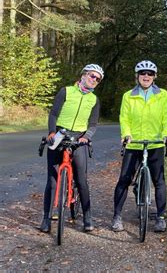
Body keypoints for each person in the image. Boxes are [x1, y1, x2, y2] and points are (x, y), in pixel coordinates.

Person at [39, 64, 104, 233]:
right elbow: (53, 113)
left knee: (82, 180)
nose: (94, 80)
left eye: (97, 79)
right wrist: (52, 132)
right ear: (83, 75)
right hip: (60, 134)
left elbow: (93, 123)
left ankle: (87, 217)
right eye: (91, 76)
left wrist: (86, 137)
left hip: (79, 138)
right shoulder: (66, 91)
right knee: (52, 180)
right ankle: (46, 218)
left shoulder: (94, 100)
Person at [111, 60, 167, 233]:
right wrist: (126, 135)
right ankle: (117, 216)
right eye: (143, 73)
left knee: (159, 181)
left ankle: (160, 217)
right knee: (124, 179)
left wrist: (166, 135)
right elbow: (124, 117)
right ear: (137, 76)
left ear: (155, 77)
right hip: (134, 144)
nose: (146, 76)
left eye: (150, 74)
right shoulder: (128, 96)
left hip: (156, 143)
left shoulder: (163, 95)